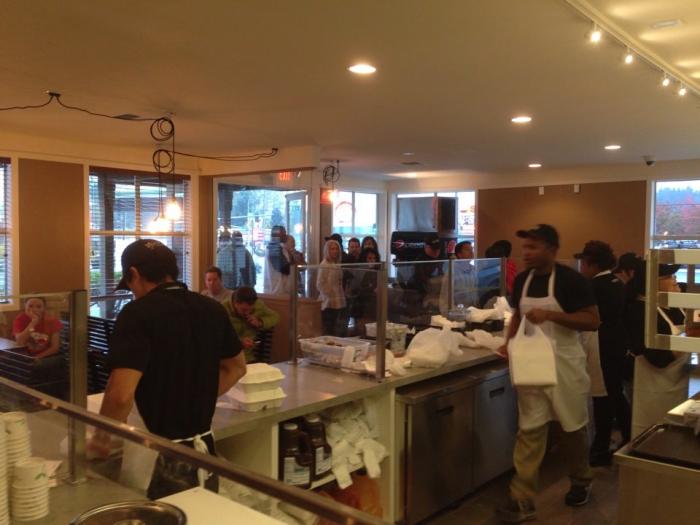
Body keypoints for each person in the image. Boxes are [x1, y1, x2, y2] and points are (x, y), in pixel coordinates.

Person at [93, 239, 247, 499]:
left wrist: (101, 438)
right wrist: (196, 396)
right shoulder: (211, 308)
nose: (132, 292)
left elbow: (120, 395)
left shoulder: (136, 314)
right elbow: (237, 368)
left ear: (134, 274)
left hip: (156, 458)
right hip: (204, 454)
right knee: (201, 514)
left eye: (130, 284)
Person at [496, 224, 600, 522]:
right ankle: (522, 498)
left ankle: (581, 479)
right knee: (529, 430)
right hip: (533, 366)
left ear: (552, 250)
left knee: (572, 428)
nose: (526, 252)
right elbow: (518, 315)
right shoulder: (523, 280)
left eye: (534, 247)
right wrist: (508, 343)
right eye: (525, 247)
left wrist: (551, 315)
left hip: (565, 365)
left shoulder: (572, 281)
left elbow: (593, 320)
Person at [574, 241, 631, 466]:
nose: (581, 268)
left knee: (602, 397)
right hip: (618, 341)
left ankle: (600, 449)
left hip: (602, 343)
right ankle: (628, 436)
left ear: (593, 264)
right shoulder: (617, 282)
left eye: (584, 263)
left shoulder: (594, 286)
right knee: (615, 392)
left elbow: (582, 317)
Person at [625, 262, 690, 438]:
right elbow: (657, 358)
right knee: (653, 435)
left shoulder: (671, 306)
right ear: (651, 282)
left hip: (677, 384)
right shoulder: (639, 311)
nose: (675, 280)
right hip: (654, 387)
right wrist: (688, 342)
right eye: (668, 277)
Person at [225, 287, 279, 363]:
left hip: (249, 357)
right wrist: (239, 342)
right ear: (235, 303)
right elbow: (220, 337)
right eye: (244, 310)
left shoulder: (258, 304)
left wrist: (260, 322)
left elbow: (275, 316)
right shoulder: (223, 308)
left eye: (251, 310)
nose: (247, 313)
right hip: (230, 357)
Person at [317, 239, 347, 336]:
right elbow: (319, 284)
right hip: (328, 301)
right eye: (332, 249)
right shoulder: (324, 264)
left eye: (336, 249)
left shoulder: (336, 264)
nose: (335, 251)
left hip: (337, 299)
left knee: (335, 326)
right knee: (328, 327)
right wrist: (329, 293)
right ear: (327, 250)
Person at [440, 240, 478, 312]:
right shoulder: (452, 272)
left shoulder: (473, 270)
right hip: (459, 313)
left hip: (473, 311)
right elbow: (445, 301)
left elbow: (475, 293)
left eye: (472, 249)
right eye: (467, 250)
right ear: (459, 254)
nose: (471, 252)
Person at [352, 248, 381, 334]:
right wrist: (371, 289)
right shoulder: (360, 271)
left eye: (374, 258)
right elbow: (355, 289)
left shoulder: (377, 271)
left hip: (374, 306)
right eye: (369, 258)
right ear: (364, 259)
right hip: (361, 307)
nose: (372, 261)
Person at [264, 225, 292, 295]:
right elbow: (285, 269)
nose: (286, 236)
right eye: (284, 233)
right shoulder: (273, 248)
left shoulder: (279, 247)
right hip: (277, 292)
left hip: (280, 291)